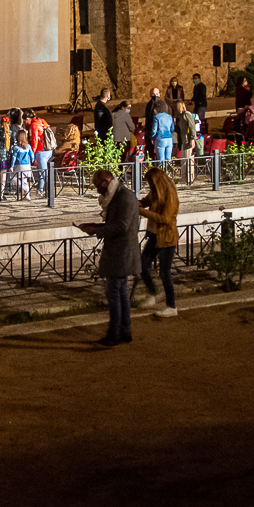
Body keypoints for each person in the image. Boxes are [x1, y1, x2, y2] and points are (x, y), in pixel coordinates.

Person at [80, 170, 142, 346]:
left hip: (122, 252)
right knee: (120, 291)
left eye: (98, 186)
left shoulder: (124, 197)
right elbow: (115, 224)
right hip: (118, 251)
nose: (98, 190)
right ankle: (124, 331)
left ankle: (115, 333)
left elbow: (122, 226)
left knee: (114, 292)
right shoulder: (117, 195)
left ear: (106, 181)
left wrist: (98, 231)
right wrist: (94, 226)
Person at [137, 165, 180, 317]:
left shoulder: (170, 195)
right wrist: (135, 203)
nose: (149, 186)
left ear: (156, 182)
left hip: (167, 237)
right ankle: (153, 294)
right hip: (155, 235)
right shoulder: (156, 192)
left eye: (150, 183)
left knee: (164, 272)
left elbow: (166, 219)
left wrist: (144, 212)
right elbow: (145, 201)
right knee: (142, 265)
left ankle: (171, 306)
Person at [30, 110, 55, 189]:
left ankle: (48, 190)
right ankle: (41, 189)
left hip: (41, 150)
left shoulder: (34, 124)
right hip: (49, 149)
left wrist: (32, 152)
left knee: (43, 172)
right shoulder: (42, 121)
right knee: (42, 171)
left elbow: (35, 140)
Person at [9, 131, 35, 199]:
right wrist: (32, 161)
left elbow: (14, 157)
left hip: (19, 165)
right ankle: (27, 194)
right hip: (27, 165)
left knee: (16, 179)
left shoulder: (16, 147)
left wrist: (12, 165)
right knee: (25, 180)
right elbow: (32, 155)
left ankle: (26, 190)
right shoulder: (28, 146)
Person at [149, 95, 175, 163]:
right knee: (168, 159)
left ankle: (162, 172)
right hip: (169, 138)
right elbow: (172, 128)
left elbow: (154, 130)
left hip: (160, 138)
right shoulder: (169, 116)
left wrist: (152, 138)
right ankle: (169, 173)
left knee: (161, 160)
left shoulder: (157, 117)